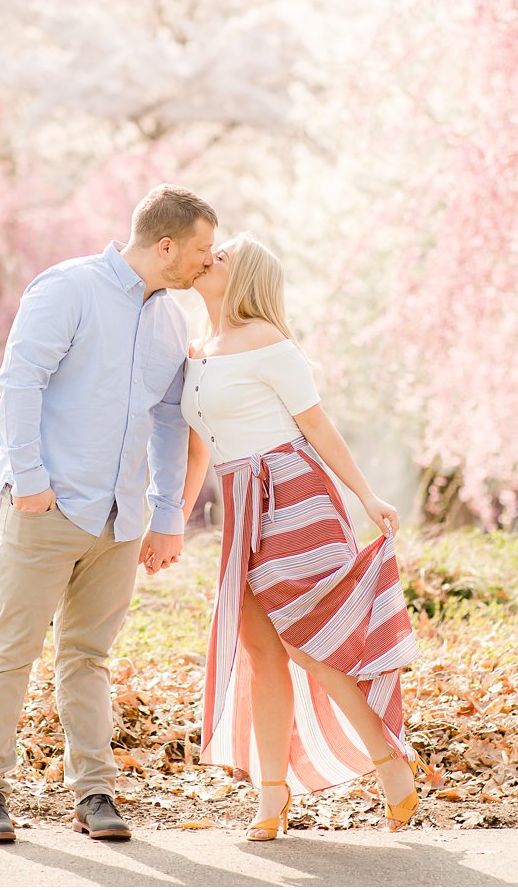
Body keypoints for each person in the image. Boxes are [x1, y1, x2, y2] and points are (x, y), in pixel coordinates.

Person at [0, 184, 218, 844]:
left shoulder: (170, 320)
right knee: (11, 649)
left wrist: (165, 514)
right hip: (46, 505)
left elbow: (168, 421)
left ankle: (94, 792)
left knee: (88, 657)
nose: (206, 263)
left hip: (119, 520)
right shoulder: (66, 287)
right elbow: (21, 381)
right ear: (165, 245)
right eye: (199, 249)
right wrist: (30, 478)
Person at [180, 234, 421, 842]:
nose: (210, 257)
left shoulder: (267, 341)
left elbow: (315, 423)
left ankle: (390, 761)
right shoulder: (196, 349)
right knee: (261, 651)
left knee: (308, 641)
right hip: (240, 504)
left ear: (246, 278)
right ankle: (271, 796)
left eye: (223, 255)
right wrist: (175, 518)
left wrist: (367, 496)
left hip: (291, 495)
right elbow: (199, 447)